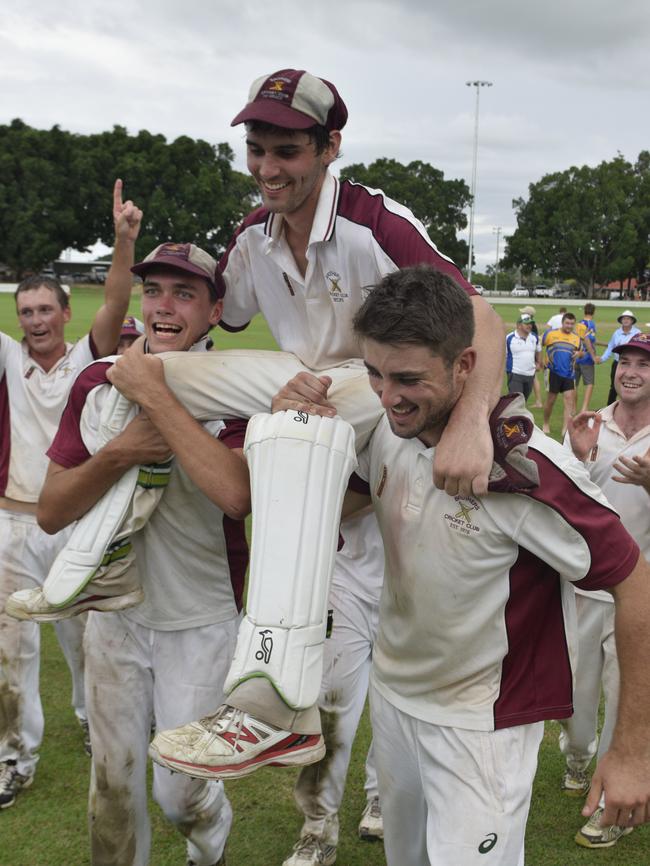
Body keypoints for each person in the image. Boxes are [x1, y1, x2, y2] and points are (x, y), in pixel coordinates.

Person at [10, 67, 506, 792]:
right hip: (302, 379)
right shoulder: (251, 234)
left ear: (329, 146)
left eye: (288, 152)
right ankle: (98, 563)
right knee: (130, 369)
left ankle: (275, 706)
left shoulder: (377, 221)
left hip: (375, 384)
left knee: (293, 430)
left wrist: (470, 426)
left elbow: (480, 316)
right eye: (258, 150)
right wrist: (147, 314)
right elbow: (211, 319)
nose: (268, 170)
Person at [334, 265, 650, 866]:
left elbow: (637, 583)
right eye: (374, 373)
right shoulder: (385, 426)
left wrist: (635, 749)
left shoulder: (527, 467)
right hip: (396, 698)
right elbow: (339, 503)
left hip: (483, 724)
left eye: (407, 378)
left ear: (464, 366)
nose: (386, 395)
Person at [35, 238, 251, 866]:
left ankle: (206, 846)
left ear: (214, 312)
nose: (163, 306)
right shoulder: (96, 385)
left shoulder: (239, 388)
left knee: (181, 792)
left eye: (185, 294)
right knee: (114, 788)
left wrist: (157, 398)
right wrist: (121, 451)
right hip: (113, 617)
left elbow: (236, 495)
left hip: (200, 620)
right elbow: (52, 512)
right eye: (153, 289)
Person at [0, 180, 134, 809]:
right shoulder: (7, 360)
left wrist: (123, 241)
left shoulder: (86, 357)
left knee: (84, 640)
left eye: (45, 310)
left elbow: (115, 304)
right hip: (10, 524)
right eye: (26, 312)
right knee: (10, 651)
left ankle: (89, 719)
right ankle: (14, 756)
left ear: (64, 313)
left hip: (74, 524)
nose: (35, 321)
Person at [561, 332, 650, 849]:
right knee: (573, 704)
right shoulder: (593, 424)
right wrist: (577, 456)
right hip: (584, 586)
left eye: (643, 364)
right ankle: (577, 757)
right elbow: (568, 503)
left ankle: (611, 808)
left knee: (625, 702)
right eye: (625, 363)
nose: (631, 372)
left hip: (639, 596)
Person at [542, 311, 585, 436]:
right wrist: (540, 361)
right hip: (553, 372)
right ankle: (545, 423)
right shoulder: (550, 334)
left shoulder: (576, 339)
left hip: (569, 374)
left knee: (569, 401)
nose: (569, 326)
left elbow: (582, 352)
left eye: (572, 324)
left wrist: (579, 354)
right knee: (551, 401)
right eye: (567, 323)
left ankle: (565, 429)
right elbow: (538, 345)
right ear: (562, 323)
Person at [600, 310, 641, 405]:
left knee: (632, 386)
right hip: (617, 363)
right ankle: (609, 408)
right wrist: (602, 359)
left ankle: (631, 406)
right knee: (614, 387)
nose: (626, 320)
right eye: (624, 318)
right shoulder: (616, 333)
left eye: (628, 318)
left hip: (632, 365)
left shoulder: (637, 333)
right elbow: (610, 347)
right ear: (621, 320)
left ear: (632, 321)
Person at [505, 312, 541, 402]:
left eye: (531, 324)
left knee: (524, 401)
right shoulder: (509, 338)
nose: (529, 326)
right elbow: (503, 355)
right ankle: (511, 416)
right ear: (519, 325)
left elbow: (538, 350)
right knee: (515, 401)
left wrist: (538, 363)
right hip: (515, 373)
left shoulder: (534, 337)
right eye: (526, 324)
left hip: (529, 374)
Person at [574, 303, 598, 413]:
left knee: (575, 383)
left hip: (576, 356)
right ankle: (584, 408)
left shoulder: (579, 323)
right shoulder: (590, 324)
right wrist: (593, 356)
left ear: (584, 311)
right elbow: (588, 340)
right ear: (594, 312)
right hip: (586, 357)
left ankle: (573, 408)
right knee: (589, 383)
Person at [519, 305, 543, 407]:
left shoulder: (531, 326)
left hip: (530, 354)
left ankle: (538, 401)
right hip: (530, 354)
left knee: (533, 378)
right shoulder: (532, 325)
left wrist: (538, 361)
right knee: (532, 378)